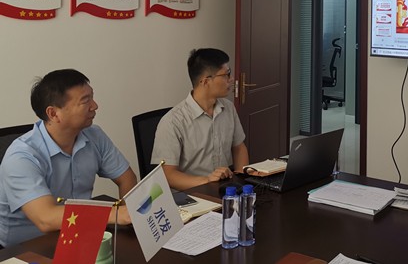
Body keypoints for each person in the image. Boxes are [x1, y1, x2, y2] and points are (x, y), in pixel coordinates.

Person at [0, 69, 136, 248]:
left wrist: (128, 221)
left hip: (78, 234)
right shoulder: (21, 157)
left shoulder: (94, 136)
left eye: (92, 97)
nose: (95, 105)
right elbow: (46, 218)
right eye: (85, 101)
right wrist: (117, 214)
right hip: (26, 248)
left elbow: (127, 178)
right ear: (53, 113)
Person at [152, 48, 250, 190]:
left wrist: (241, 182)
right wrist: (207, 180)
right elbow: (167, 175)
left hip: (225, 189)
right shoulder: (173, 122)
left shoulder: (228, 108)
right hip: (192, 194)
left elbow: (239, 148)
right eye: (226, 74)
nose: (231, 79)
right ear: (205, 81)